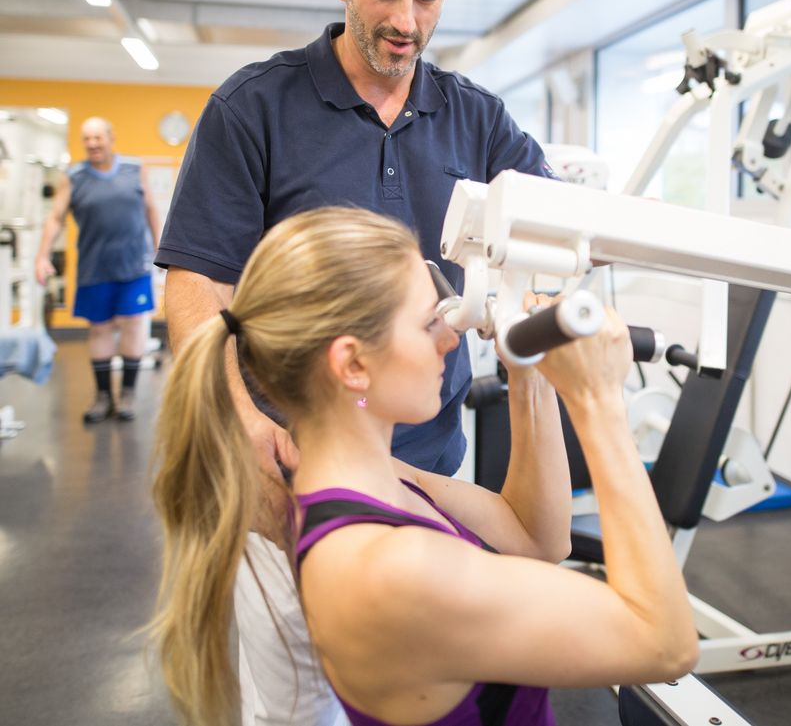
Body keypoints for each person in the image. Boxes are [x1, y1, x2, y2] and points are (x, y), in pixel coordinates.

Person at [154, 0, 557, 723]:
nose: (405, 20)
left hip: (427, 469)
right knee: (299, 704)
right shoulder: (253, 108)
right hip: (291, 472)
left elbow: (553, 243)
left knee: (416, 699)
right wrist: (243, 422)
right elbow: (197, 288)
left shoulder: (478, 122)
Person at [150, 206, 698, 726]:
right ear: (353, 364)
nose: (450, 336)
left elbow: (537, 538)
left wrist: (528, 373)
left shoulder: (368, 479)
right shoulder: (392, 568)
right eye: (426, 323)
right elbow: (665, 643)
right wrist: (598, 402)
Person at [36, 116, 160, 423]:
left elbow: (151, 209)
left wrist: (161, 248)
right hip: (95, 267)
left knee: (133, 325)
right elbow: (55, 218)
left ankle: (128, 394)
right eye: (86, 139)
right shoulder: (74, 176)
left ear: (110, 137)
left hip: (134, 264)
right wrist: (42, 255)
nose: (92, 144)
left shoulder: (135, 169)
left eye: (97, 138)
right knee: (100, 329)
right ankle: (103, 396)